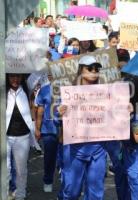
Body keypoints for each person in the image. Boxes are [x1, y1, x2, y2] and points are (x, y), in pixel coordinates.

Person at [57, 55, 107, 199]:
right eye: (89, 68)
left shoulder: (106, 93)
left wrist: (125, 111)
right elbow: (56, 119)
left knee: (96, 192)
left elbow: (115, 117)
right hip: (74, 150)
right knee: (71, 191)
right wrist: (59, 113)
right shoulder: (69, 93)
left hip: (98, 150)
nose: (93, 71)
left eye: (96, 69)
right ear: (81, 70)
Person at [6, 74, 33, 200]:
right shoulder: (3, 90)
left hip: (23, 137)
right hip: (5, 137)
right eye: (12, 76)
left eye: (18, 76)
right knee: (5, 169)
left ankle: (21, 195)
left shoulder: (27, 87)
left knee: (21, 170)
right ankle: (4, 193)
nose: (15, 79)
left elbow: (38, 73)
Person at [35, 75, 59, 193]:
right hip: (48, 131)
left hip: (66, 131)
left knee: (66, 159)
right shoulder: (44, 90)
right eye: (49, 74)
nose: (51, 76)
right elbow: (40, 111)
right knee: (49, 159)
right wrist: (38, 129)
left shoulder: (68, 89)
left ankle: (66, 183)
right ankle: (48, 181)